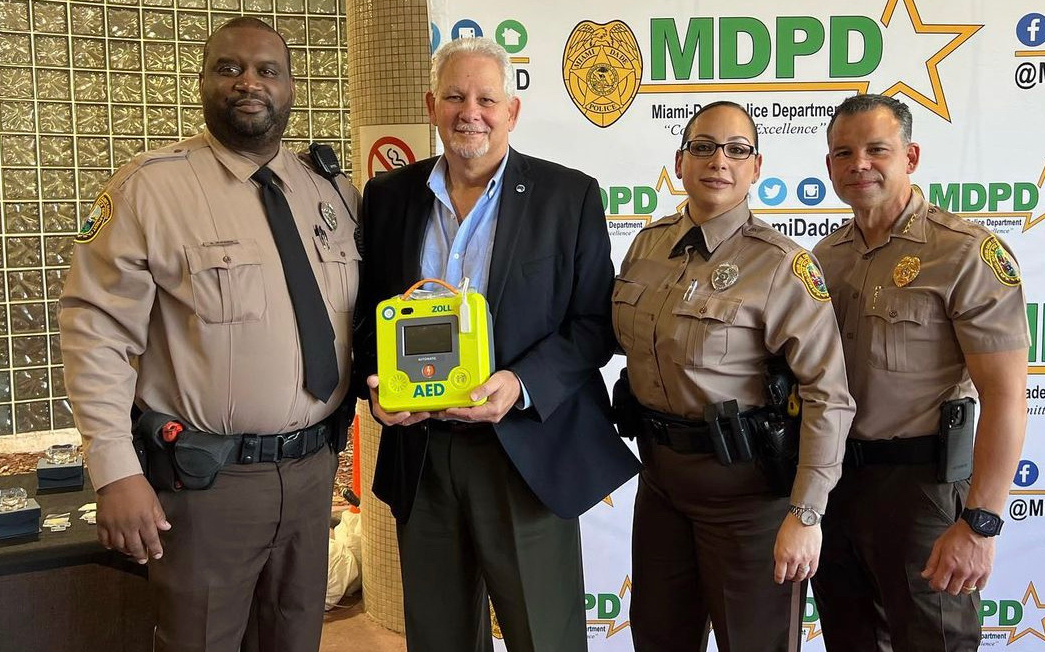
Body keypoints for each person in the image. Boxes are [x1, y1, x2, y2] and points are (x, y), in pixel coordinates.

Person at [58, 17, 359, 652]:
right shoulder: (151, 190)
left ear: (290, 88)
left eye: (267, 70)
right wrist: (114, 471)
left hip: (312, 477)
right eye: (230, 68)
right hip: (206, 485)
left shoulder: (330, 190)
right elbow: (97, 330)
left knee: (294, 637)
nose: (249, 82)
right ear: (202, 80)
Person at [352, 37, 640, 652]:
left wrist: (519, 384)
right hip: (421, 452)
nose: (470, 112)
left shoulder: (569, 197)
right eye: (455, 96)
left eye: (486, 99)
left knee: (545, 635)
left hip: (524, 452)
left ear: (512, 111)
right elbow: (366, 318)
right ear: (432, 105)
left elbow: (594, 324)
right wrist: (377, 386)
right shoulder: (387, 199)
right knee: (438, 634)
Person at [612, 101, 855, 652]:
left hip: (747, 500)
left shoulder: (781, 265)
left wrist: (806, 512)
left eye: (736, 149)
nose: (718, 160)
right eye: (702, 147)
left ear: (756, 166)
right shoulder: (647, 245)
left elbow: (828, 396)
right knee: (658, 640)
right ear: (680, 161)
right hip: (661, 486)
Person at [811, 94, 1029, 651]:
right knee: (850, 639)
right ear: (830, 166)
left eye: (876, 149)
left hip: (922, 490)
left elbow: (1006, 400)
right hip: (835, 484)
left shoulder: (965, 253)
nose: (859, 163)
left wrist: (981, 523)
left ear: (910, 156)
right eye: (843, 152)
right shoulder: (823, 258)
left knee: (935, 642)